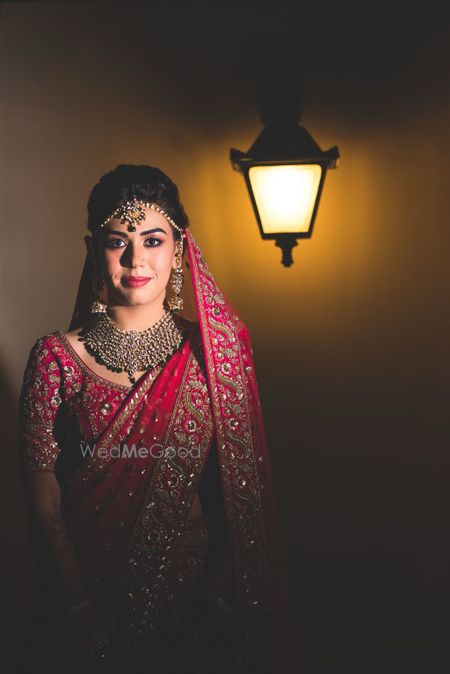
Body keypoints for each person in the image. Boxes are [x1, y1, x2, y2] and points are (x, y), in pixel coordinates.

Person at [18, 164, 294, 674]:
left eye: (152, 240)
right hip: (83, 598)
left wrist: (211, 611)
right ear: (92, 248)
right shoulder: (55, 357)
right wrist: (80, 615)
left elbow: (240, 495)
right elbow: (43, 497)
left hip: (192, 608)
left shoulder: (216, 352)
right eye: (117, 241)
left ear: (179, 248)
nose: (135, 259)